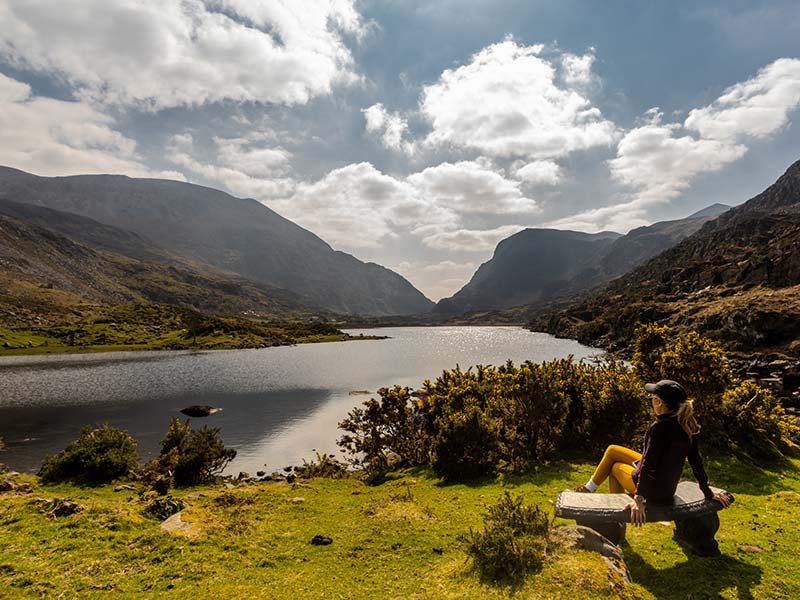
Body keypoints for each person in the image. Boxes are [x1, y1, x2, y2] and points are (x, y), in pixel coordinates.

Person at [575, 379, 731, 526]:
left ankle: (618, 521)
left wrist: (639, 499)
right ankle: (589, 489)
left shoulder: (659, 427)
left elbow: (649, 464)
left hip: (652, 491)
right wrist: (707, 491)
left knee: (615, 468)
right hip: (667, 487)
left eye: (652, 397)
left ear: (659, 403)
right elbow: (696, 462)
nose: (651, 400)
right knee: (612, 450)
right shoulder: (688, 424)